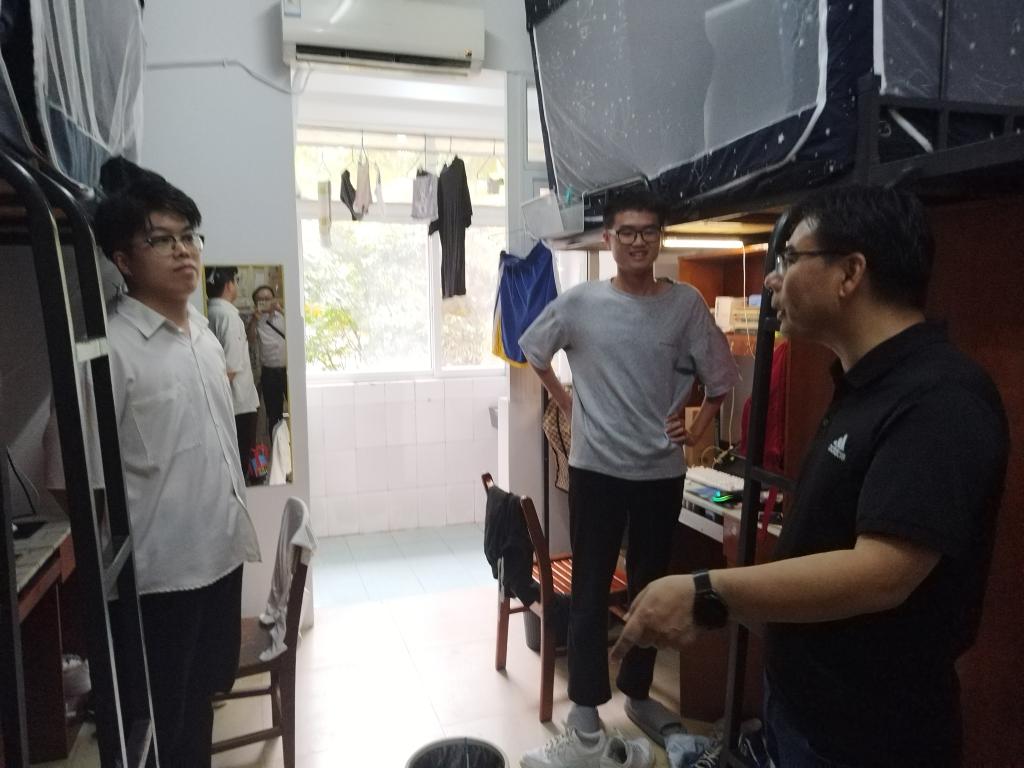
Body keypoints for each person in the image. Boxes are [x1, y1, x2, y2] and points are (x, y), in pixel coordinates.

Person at [612, 185, 1009, 768]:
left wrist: (708, 590)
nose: (773, 280)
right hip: (808, 715)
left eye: (791, 258)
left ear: (850, 273)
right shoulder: (862, 385)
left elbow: (882, 573)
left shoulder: (939, 397)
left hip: (869, 738)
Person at [517, 188, 739, 766]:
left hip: (660, 472)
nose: (638, 241)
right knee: (590, 589)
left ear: (660, 238)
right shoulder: (581, 303)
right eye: (627, 232)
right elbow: (533, 350)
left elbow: (721, 378)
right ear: (609, 239)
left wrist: (696, 427)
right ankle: (586, 707)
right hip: (596, 469)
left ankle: (639, 692)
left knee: (651, 586)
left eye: (649, 231)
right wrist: (567, 403)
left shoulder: (686, 304)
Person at [93, 158, 261, 768]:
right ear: (123, 258)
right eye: (161, 240)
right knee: (161, 721)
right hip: (159, 582)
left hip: (220, 558)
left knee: (200, 707)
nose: (183, 251)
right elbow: (73, 481)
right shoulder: (111, 350)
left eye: (189, 235)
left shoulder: (204, 335)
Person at [205, 266, 260, 482]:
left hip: (227, 401)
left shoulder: (208, 313)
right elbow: (232, 368)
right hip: (238, 402)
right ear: (229, 285)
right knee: (241, 458)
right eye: (235, 282)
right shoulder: (228, 316)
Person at [247, 284, 287, 433]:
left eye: (268, 298)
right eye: (261, 300)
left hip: (290, 371)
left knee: (298, 408)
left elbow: (298, 331)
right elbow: (250, 340)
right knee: (274, 415)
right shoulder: (256, 320)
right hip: (269, 373)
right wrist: (253, 320)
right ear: (256, 303)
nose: (265, 302)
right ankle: (277, 445)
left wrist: (281, 310)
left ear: (274, 299)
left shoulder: (283, 315)